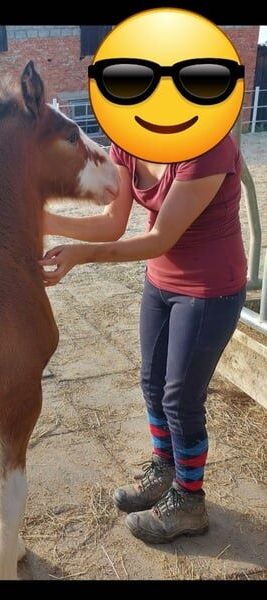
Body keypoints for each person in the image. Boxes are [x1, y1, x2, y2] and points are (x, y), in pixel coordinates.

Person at [39, 134, 247, 544]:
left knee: (181, 398)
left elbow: (160, 238)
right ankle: (164, 471)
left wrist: (80, 255)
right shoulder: (130, 142)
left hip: (209, 288)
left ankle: (190, 501)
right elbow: (112, 224)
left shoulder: (207, 145)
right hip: (160, 281)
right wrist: (43, 221)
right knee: (152, 384)